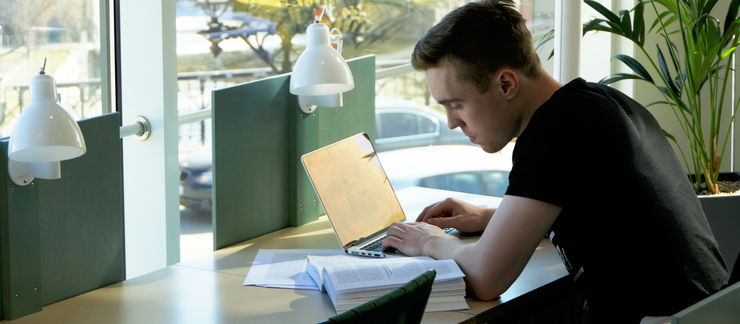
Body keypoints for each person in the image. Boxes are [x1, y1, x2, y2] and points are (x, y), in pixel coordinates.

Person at [380, 0, 729, 322]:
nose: (452, 122)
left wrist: (428, 241)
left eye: (456, 104)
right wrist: (490, 218)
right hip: (710, 312)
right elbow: (598, 212)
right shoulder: (602, 102)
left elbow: (487, 278)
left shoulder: (556, 131)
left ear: (506, 84)